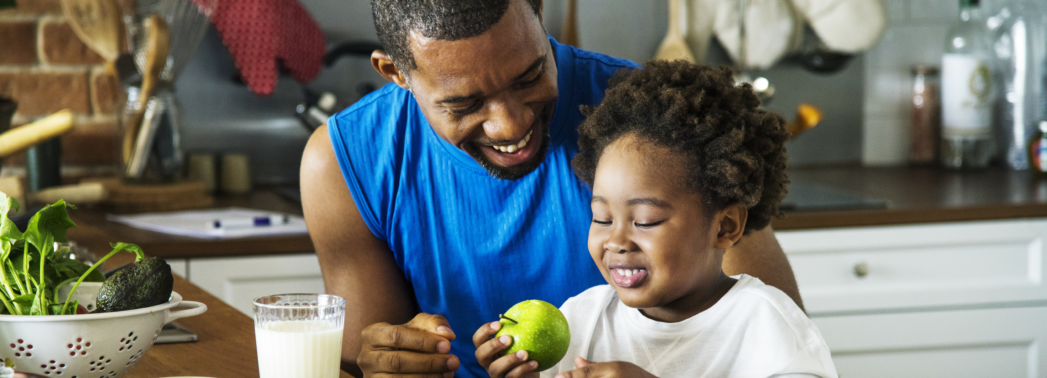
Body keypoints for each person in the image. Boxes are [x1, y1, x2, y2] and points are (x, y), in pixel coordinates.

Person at [299, 0, 804, 376]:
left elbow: (765, 336)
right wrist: (383, 361)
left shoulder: (658, 128)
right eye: (464, 103)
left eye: (529, 75)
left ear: (539, 10)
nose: (509, 125)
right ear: (395, 73)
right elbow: (359, 361)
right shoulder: (344, 162)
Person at [473, 60, 837, 378]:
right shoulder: (583, 319)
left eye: (644, 221)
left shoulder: (766, 324)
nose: (615, 241)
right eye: (601, 218)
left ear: (725, 227)